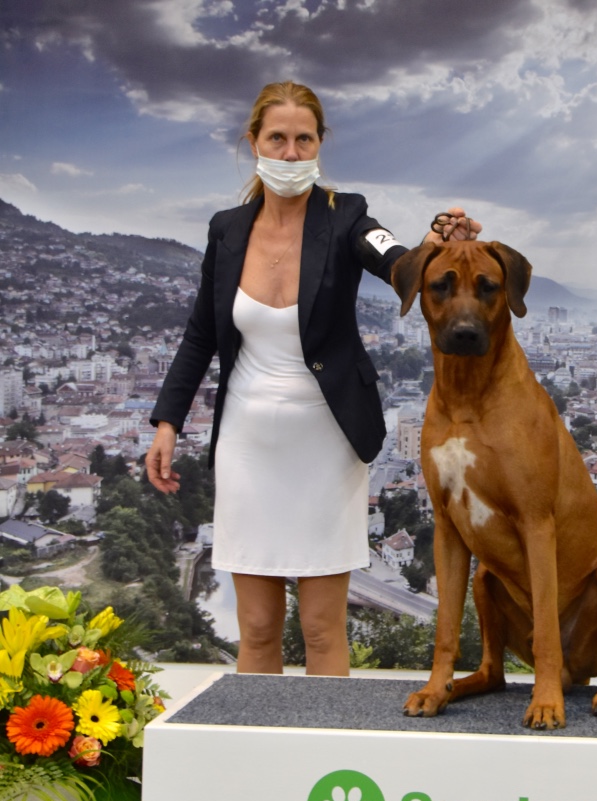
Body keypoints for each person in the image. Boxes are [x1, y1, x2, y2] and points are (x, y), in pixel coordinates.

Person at [145, 80, 480, 677]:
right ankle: (259, 761)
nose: (292, 152)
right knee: (256, 629)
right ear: (254, 143)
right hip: (247, 443)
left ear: (320, 143)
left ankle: (327, 759)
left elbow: (398, 263)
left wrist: (436, 244)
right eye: (279, 138)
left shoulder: (345, 214)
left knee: (323, 631)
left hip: (328, 442)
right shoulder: (226, 229)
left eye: (305, 139)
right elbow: (201, 333)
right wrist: (168, 421)